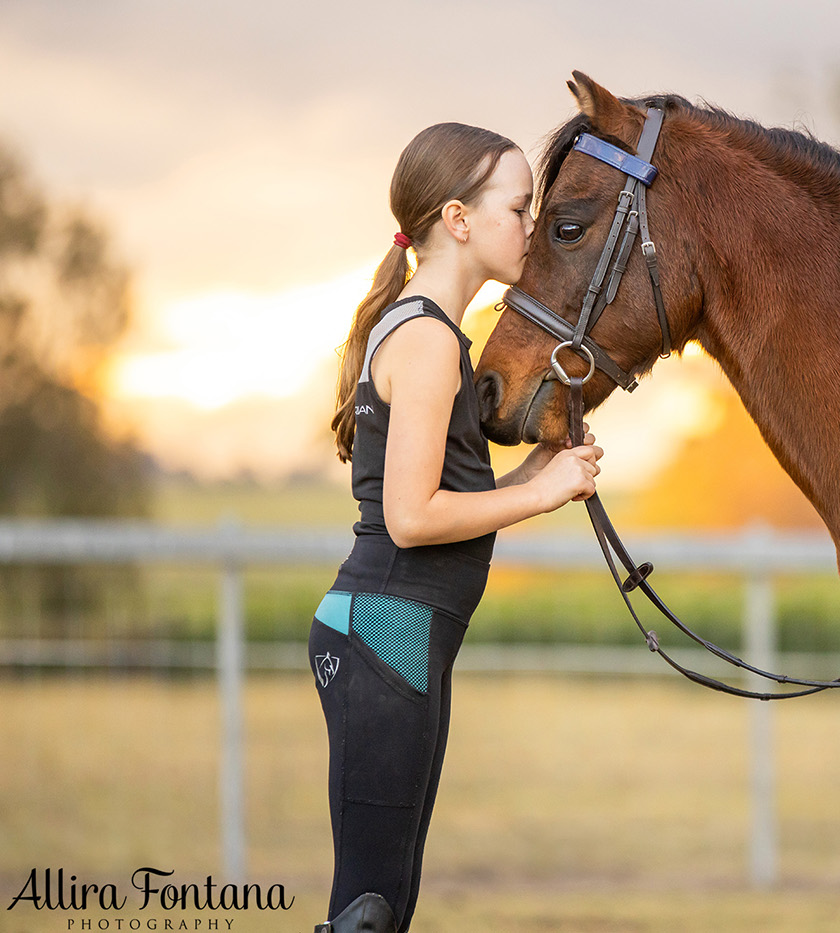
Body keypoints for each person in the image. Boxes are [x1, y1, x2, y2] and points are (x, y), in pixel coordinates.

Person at [308, 123, 602, 933]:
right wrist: (540, 499)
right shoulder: (431, 339)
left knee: (382, 906)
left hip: (389, 632)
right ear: (459, 220)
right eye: (518, 207)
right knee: (369, 910)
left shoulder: (422, 328)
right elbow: (410, 518)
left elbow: (436, 503)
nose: (532, 227)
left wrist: (530, 477)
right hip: (387, 633)